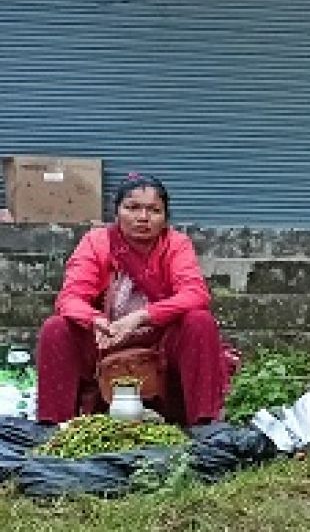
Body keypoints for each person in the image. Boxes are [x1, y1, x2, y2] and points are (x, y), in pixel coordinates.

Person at [35, 174, 231, 425]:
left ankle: (205, 424)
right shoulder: (97, 242)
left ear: (165, 218)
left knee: (199, 321)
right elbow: (70, 298)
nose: (143, 217)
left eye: (154, 210)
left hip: (159, 341)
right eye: (132, 208)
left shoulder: (176, 244)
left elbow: (195, 294)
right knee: (56, 328)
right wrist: (95, 320)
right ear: (116, 212)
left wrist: (141, 317)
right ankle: (53, 425)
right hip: (104, 338)